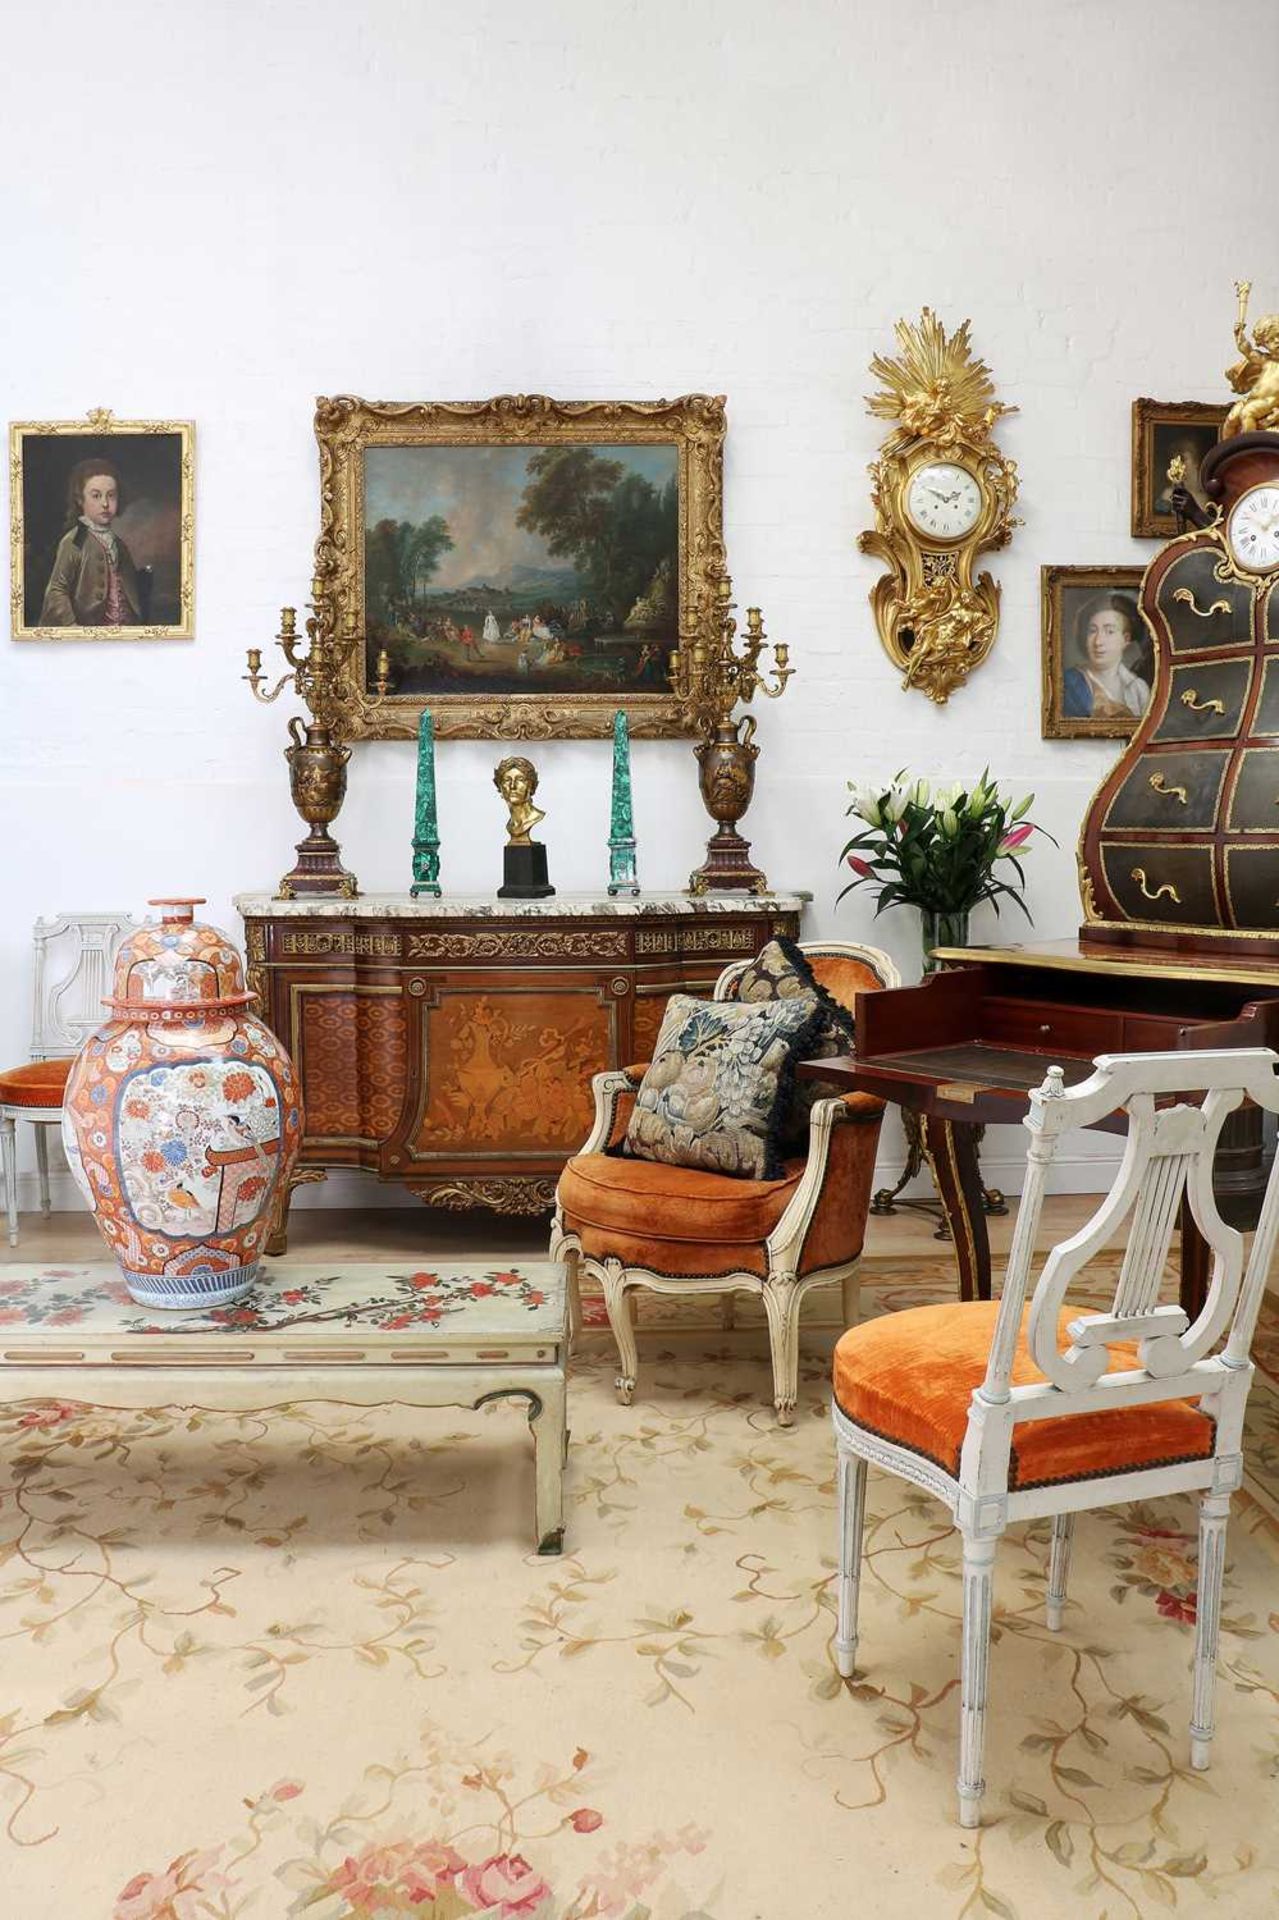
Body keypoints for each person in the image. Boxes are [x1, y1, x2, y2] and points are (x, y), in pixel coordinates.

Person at [39, 457, 143, 626]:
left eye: (111, 496)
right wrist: (72, 627)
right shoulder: (77, 538)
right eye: (96, 496)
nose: (105, 503)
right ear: (80, 500)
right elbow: (57, 591)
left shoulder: (118, 543)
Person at [1062, 595, 1150, 721]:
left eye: (1109, 632)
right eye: (1092, 631)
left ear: (1126, 639)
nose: (1098, 642)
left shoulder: (1138, 688)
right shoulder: (1069, 683)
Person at [493, 755, 546, 844]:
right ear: (500, 786)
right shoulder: (510, 826)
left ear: (532, 786)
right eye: (507, 780)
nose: (512, 786)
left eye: (520, 779)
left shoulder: (535, 817)